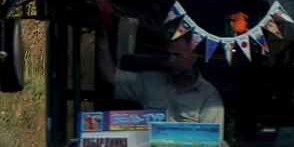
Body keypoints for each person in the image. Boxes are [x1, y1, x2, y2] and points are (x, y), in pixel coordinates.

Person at [96, 30, 225, 129]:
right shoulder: (150, 81)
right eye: (168, 54)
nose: (170, 60)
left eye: (177, 55)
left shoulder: (209, 96)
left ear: (194, 56)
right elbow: (111, 76)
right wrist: (101, 33)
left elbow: (210, 142)